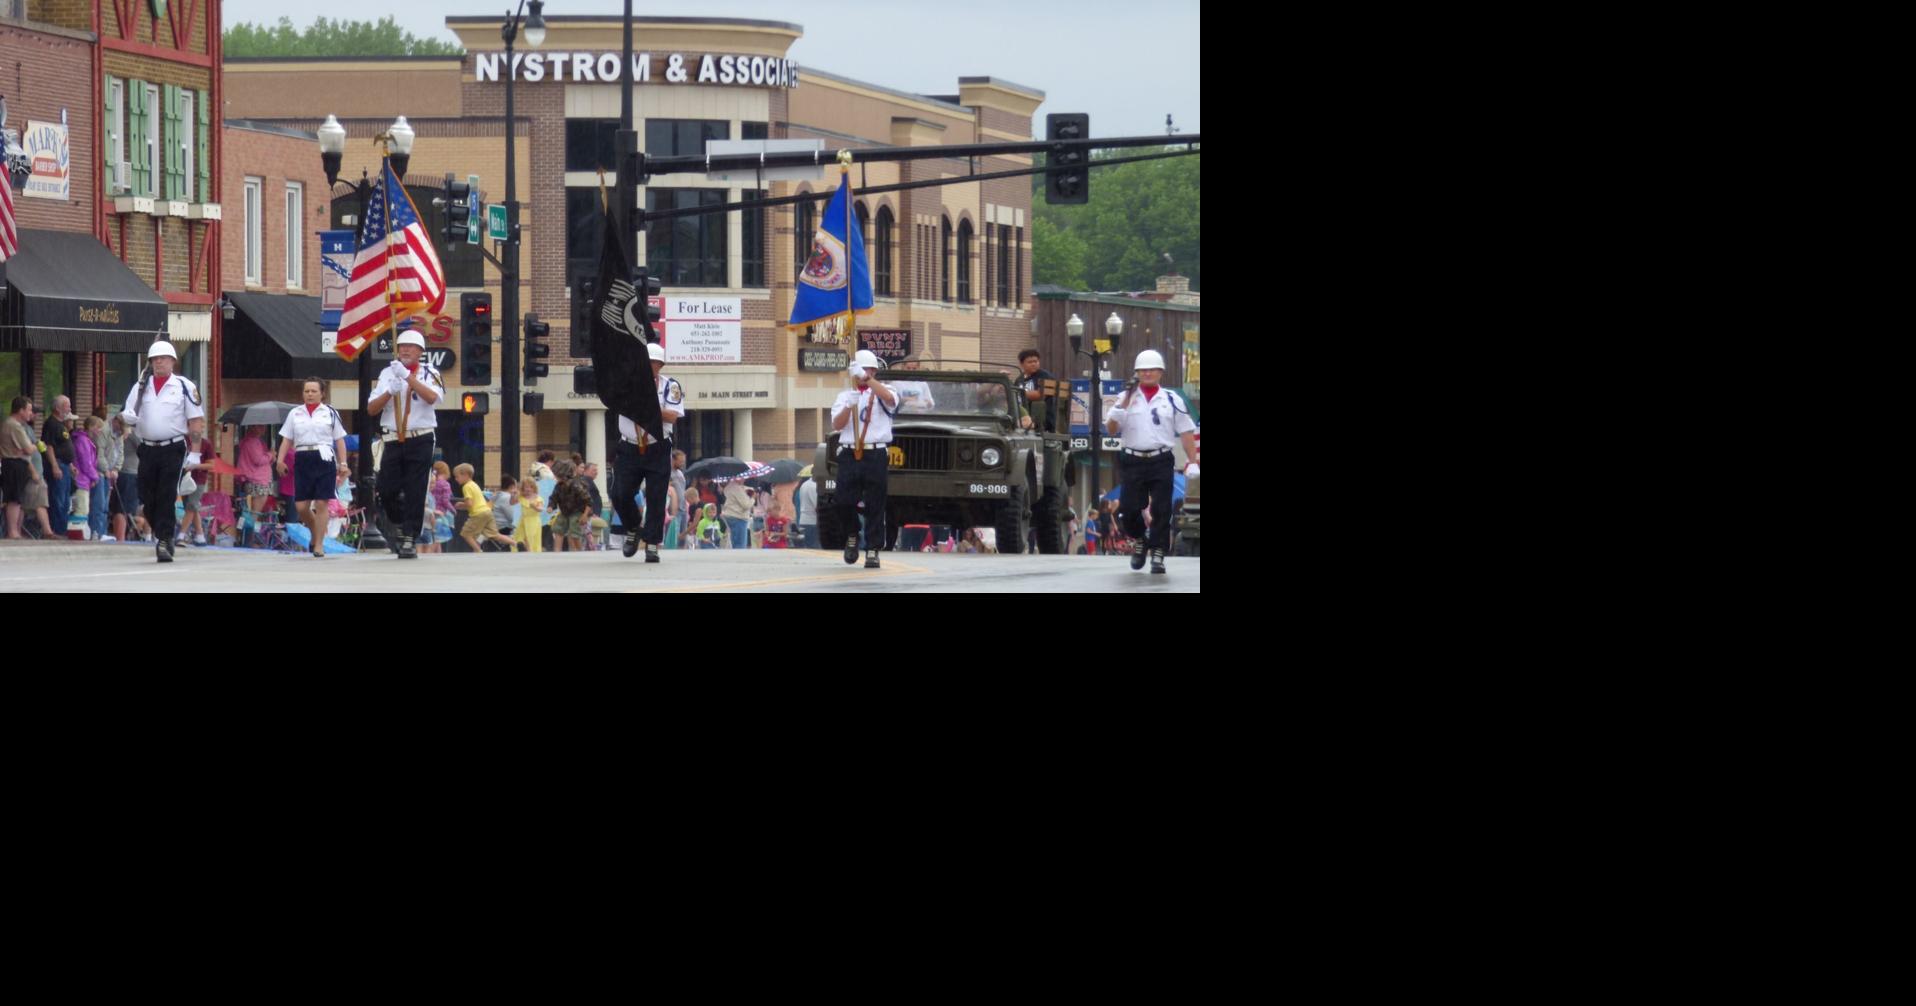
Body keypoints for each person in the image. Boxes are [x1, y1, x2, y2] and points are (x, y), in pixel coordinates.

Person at [1104, 349, 1198, 575]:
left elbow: (1186, 432)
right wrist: (1122, 404)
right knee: (1128, 508)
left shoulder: (1171, 399)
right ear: (1136, 373)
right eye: (1142, 370)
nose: (1146, 374)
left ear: (1160, 372)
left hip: (1161, 458)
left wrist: (1193, 460)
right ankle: (1139, 539)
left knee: (1162, 507)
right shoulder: (1125, 398)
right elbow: (1112, 429)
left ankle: (1158, 551)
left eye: (1151, 370)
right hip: (1133, 459)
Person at [119, 341, 204, 563]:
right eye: (154, 359)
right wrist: (126, 419)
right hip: (146, 447)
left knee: (166, 494)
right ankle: (163, 532)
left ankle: (165, 540)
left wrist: (195, 452)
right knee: (147, 496)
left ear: (173, 361)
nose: (158, 362)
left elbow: (195, 420)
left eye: (163, 358)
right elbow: (127, 412)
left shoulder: (184, 386)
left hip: (173, 447)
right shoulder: (140, 386)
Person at [365, 331, 443, 558]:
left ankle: (409, 537)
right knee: (386, 488)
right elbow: (371, 409)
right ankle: (400, 524)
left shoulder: (430, 372)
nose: (406, 350)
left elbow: (432, 398)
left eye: (411, 347)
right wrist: (390, 390)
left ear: (420, 351)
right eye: (402, 347)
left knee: (415, 489)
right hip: (393, 437)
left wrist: (409, 379)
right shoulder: (387, 373)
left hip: (420, 436)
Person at [611, 342, 686, 562]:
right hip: (629, 446)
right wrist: (652, 409)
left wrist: (645, 407)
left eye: (654, 363)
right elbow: (618, 404)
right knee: (619, 493)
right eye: (647, 362)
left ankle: (652, 543)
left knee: (656, 496)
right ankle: (634, 527)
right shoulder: (626, 383)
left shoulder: (669, 386)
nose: (650, 366)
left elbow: (673, 416)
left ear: (660, 365)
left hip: (657, 446)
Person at [830, 349, 900, 568]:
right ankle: (852, 533)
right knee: (843, 501)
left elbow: (889, 400)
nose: (862, 373)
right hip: (850, 452)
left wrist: (868, 380)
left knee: (875, 504)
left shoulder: (884, 390)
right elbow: (837, 425)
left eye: (867, 369)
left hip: (875, 452)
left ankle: (873, 548)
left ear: (873, 371)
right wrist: (849, 406)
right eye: (860, 370)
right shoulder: (844, 396)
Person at [274, 378, 350, 559]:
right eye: (306, 391)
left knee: (322, 502)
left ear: (322, 393)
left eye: (313, 391)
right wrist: (280, 460)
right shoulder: (295, 413)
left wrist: (344, 463)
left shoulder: (330, 413)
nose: (309, 394)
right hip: (302, 456)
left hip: (324, 456)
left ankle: (319, 545)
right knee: (301, 506)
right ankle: (316, 531)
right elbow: (287, 438)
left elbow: (339, 438)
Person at [453, 463, 517, 552]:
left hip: (478, 514)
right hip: (487, 512)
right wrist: (464, 506)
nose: (456, 479)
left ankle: (479, 551)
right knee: (494, 534)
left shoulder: (466, 487)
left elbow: (470, 504)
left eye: (457, 476)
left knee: (466, 534)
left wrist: (461, 504)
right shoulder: (474, 485)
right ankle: (516, 544)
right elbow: (475, 503)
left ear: (466, 475)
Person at [3, 397, 41, 539]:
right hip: (14, 464)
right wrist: (34, 446)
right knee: (14, 498)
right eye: (29, 410)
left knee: (19, 499)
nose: (31, 413)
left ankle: (16, 530)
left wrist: (26, 450)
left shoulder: (11, 424)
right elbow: (29, 448)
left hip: (14, 463)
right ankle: (13, 531)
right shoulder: (14, 426)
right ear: (20, 410)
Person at [41, 395, 75, 535]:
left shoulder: (61, 424)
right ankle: (57, 530)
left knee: (65, 500)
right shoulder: (51, 424)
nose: (69, 408)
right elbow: (49, 446)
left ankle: (62, 528)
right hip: (58, 465)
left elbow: (63, 445)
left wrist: (71, 464)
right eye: (66, 405)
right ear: (57, 408)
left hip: (65, 465)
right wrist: (54, 465)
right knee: (58, 500)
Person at [178, 417, 215, 546]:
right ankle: (200, 536)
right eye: (199, 425)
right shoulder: (182, 441)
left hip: (198, 480)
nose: (201, 428)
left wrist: (196, 466)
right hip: (183, 478)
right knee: (191, 507)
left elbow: (211, 465)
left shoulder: (206, 444)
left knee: (192, 505)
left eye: (202, 426)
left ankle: (181, 535)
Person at [549, 459, 593, 552]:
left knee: (574, 531)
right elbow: (553, 497)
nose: (555, 477)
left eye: (556, 475)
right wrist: (551, 506)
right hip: (565, 511)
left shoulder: (576, 485)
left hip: (577, 511)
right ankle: (557, 551)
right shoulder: (558, 486)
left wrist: (585, 515)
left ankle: (578, 550)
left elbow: (588, 500)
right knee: (558, 528)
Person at [1016, 349, 1061, 432]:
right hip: (1023, 421)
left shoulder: (1045, 375)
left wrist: (1020, 393)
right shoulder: (1019, 379)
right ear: (1022, 364)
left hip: (1043, 423)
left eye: (1036, 361)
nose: (1033, 364)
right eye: (1030, 362)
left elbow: (1040, 396)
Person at [236, 425, 275, 519]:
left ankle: (250, 531)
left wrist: (270, 457)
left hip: (257, 480)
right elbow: (259, 460)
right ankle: (250, 533)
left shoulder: (255, 441)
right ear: (253, 427)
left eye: (264, 427)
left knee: (254, 512)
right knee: (255, 513)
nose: (264, 429)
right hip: (258, 481)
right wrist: (271, 454)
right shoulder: (252, 442)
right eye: (260, 426)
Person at [87, 413, 113, 540]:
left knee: (103, 505)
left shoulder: (92, 443)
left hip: (99, 474)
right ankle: (95, 531)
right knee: (97, 504)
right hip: (96, 475)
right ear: (91, 427)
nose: (99, 431)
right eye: (97, 428)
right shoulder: (86, 441)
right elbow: (88, 461)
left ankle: (101, 531)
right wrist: (95, 475)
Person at [425, 461, 455, 554]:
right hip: (440, 514)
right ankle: (430, 555)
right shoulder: (445, 484)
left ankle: (438, 555)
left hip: (430, 512)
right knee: (438, 540)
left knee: (436, 539)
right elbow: (445, 501)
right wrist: (453, 510)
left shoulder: (432, 482)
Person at [513, 475, 545, 553]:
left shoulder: (537, 498)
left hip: (533, 520)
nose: (528, 489)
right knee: (520, 536)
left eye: (530, 487)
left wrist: (534, 507)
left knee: (531, 537)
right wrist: (515, 494)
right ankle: (523, 548)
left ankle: (530, 551)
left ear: (534, 488)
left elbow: (540, 509)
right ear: (523, 488)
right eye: (526, 487)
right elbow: (512, 502)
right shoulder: (522, 497)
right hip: (523, 520)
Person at [720, 477, 753, 550]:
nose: (744, 479)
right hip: (738, 517)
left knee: (735, 543)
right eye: (742, 477)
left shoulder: (729, 487)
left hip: (731, 516)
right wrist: (753, 498)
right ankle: (740, 560)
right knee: (740, 545)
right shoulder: (736, 488)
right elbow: (746, 505)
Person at [669, 450, 689, 548]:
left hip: (683, 508)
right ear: (673, 460)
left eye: (683, 461)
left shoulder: (680, 473)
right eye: (681, 461)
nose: (682, 463)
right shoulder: (668, 472)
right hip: (675, 509)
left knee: (683, 536)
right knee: (675, 535)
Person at [796, 475, 819, 550]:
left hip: (805, 520)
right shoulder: (813, 486)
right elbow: (818, 505)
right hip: (812, 521)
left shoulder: (805, 484)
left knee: (809, 547)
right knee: (815, 548)